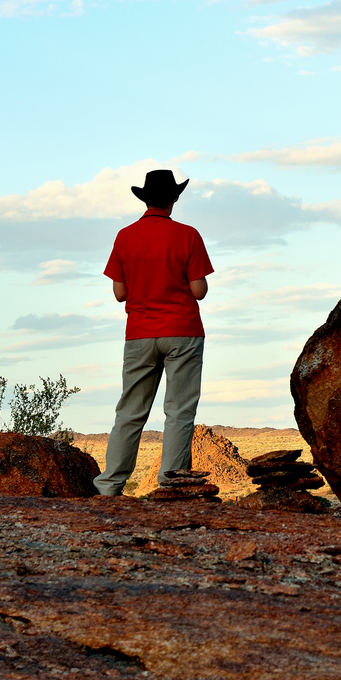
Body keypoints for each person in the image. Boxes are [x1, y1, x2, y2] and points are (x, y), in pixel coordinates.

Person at [94, 169, 214, 496]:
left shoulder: (125, 236)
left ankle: (109, 486)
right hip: (182, 331)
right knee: (178, 411)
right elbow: (199, 290)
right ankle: (172, 484)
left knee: (130, 412)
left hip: (139, 333)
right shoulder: (188, 235)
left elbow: (120, 293)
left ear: (145, 199)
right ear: (174, 198)